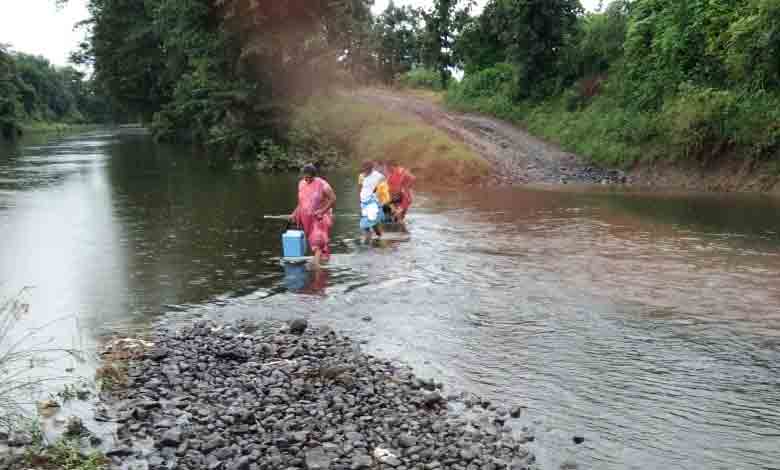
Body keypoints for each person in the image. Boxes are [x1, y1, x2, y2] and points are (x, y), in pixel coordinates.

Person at [290, 164, 336, 266]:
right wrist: (295, 213)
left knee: (317, 241)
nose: (307, 179)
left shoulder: (323, 185)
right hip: (307, 219)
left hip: (320, 218)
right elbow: (302, 202)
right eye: (305, 177)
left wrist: (322, 211)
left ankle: (316, 267)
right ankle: (323, 260)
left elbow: (333, 199)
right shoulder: (301, 184)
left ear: (314, 176)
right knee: (315, 243)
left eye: (309, 177)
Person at [358, 160, 386, 242]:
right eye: (365, 168)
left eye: (368, 168)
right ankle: (371, 238)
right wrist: (360, 201)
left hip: (374, 202)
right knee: (366, 224)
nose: (366, 170)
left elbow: (383, 188)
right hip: (364, 202)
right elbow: (360, 189)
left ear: (371, 168)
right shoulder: (361, 176)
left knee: (372, 223)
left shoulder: (379, 176)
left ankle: (376, 238)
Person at [386, 160, 415, 231]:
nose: (387, 169)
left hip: (404, 198)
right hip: (395, 198)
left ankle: (403, 231)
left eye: (388, 167)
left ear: (392, 166)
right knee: (394, 216)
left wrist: (406, 186)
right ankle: (398, 230)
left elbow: (412, 178)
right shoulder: (391, 174)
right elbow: (389, 186)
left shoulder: (401, 171)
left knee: (398, 215)